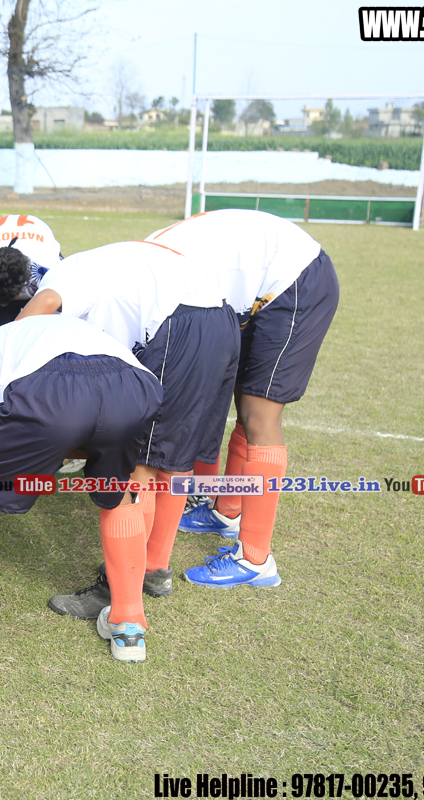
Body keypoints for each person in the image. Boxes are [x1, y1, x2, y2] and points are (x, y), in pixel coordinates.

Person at [0, 314, 164, 689]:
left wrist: (27, 464)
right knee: (119, 489)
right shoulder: (35, 336)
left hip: (53, 387)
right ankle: (129, 626)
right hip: (134, 385)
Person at [16, 241, 239, 619]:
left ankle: (117, 589)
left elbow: (45, 305)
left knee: (138, 462)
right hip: (219, 319)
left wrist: (9, 355)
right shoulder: (106, 272)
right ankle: (153, 569)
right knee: (175, 454)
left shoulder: (61, 278)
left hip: (179, 323)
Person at [146, 210, 340, 588]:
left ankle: (255, 558)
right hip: (257, 285)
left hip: (294, 281)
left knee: (258, 414)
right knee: (241, 397)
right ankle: (227, 510)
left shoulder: (157, 276)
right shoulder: (146, 266)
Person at [0, 213, 63, 348]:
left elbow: (60, 324)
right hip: (4, 275)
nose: (3, 305)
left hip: (38, 277)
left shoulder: (48, 273)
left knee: (42, 336)